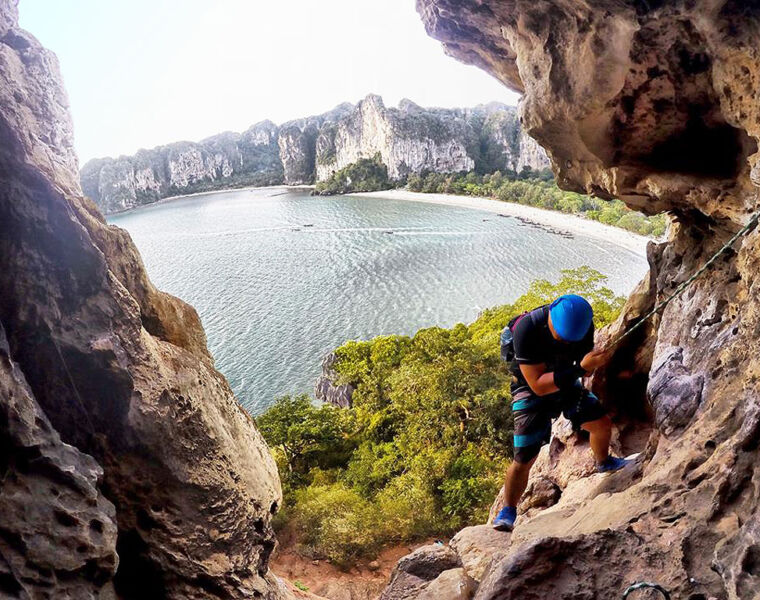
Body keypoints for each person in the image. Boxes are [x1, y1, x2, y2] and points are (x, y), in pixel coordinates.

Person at [492, 294, 631, 532]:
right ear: (551, 321)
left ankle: (603, 462)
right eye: (562, 338)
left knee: (600, 422)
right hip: (530, 387)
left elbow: (583, 371)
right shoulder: (528, 329)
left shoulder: (583, 328)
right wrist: (580, 368)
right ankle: (508, 510)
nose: (567, 343)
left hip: (564, 380)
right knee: (524, 456)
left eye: (571, 340)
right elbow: (538, 384)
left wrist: (591, 364)